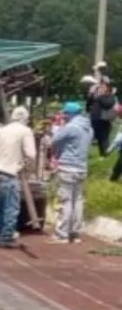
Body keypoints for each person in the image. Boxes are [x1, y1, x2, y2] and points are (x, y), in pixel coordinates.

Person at [0, 105, 35, 248]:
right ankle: (6, 238)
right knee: (11, 208)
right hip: (10, 174)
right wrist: (25, 167)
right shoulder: (25, 131)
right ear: (25, 119)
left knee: (0, 207)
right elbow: (31, 154)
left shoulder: (2, 130)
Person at [50, 101, 92, 244]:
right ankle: (75, 232)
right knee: (78, 201)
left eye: (65, 113)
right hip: (81, 167)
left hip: (68, 166)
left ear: (71, 114)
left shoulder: (70, 127)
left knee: (65, 201)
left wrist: (58, 127)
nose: (63, 115)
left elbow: (54, 140)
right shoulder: (88, 128)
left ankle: (62, 234)